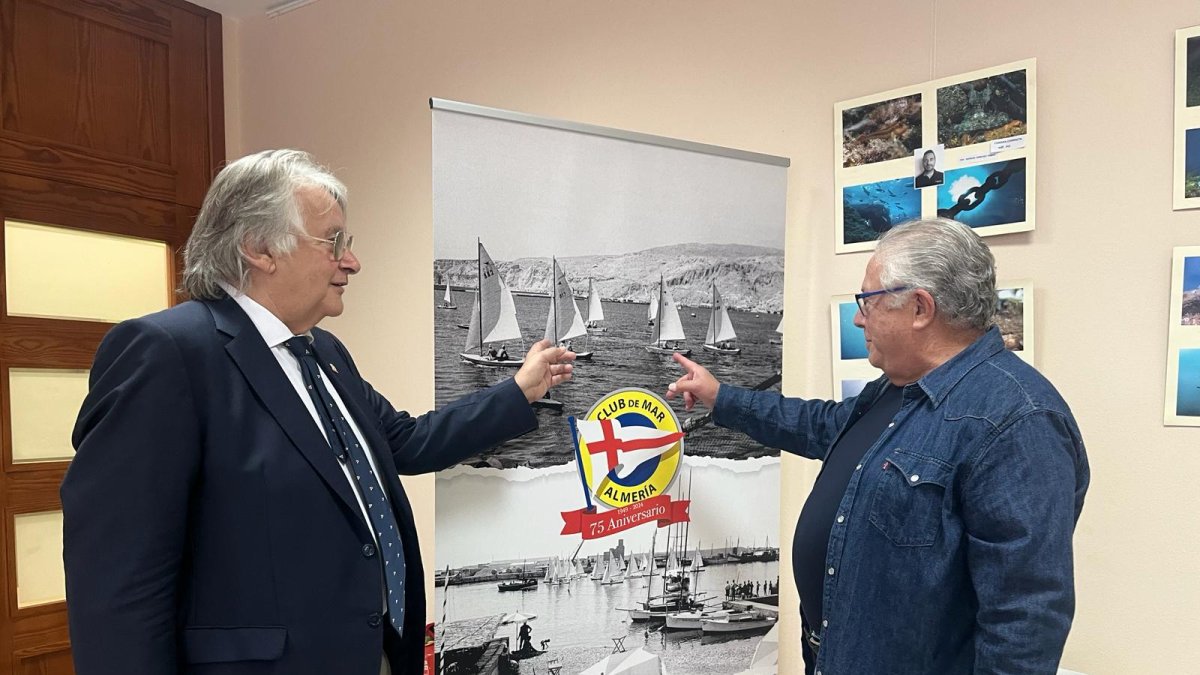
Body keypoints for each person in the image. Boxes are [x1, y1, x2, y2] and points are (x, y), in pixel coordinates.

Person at [61, 149, 576, 675]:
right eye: (333, 242)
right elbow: (117, 585)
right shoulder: (167, 353)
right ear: (260, 248)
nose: (352, 261)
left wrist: (518, 391)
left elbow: (406, 441)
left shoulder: (323, 353)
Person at [667, 218, 1088, 674]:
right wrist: (721, 397)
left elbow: (1025, 619)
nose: (857, 317)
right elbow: (819, 424)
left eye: (867, 300)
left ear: (921, 308)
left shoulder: (1019, 421)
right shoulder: (899, 387)